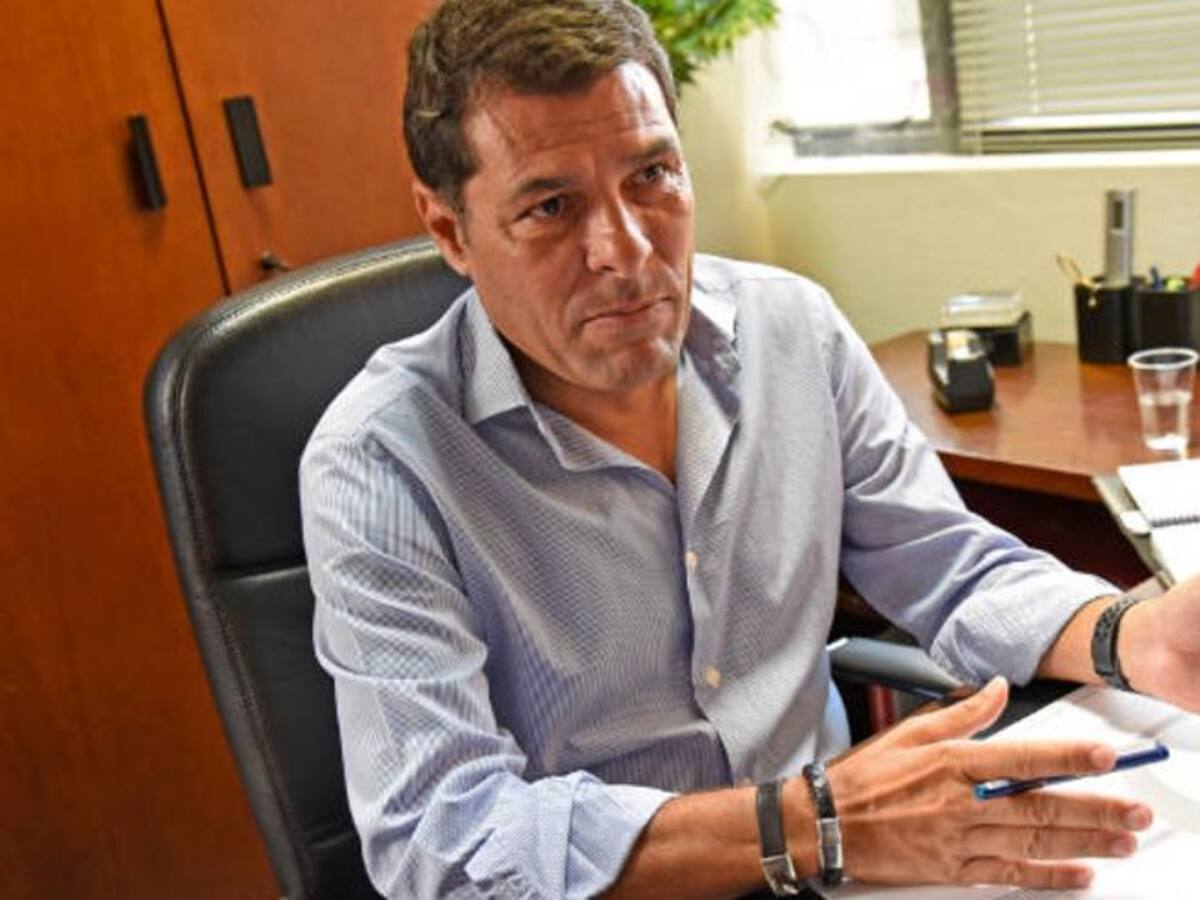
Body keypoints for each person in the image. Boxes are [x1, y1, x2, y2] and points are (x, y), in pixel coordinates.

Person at [298, 1, 1200, 896]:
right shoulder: (380, 463)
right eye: (551, 207)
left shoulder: (792, 330)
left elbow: (950, 565)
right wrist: (808, 822)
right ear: (449, 230)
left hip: (852, 868)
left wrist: (1137, 635)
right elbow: (443, 841)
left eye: (652, 174)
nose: (626, 249)